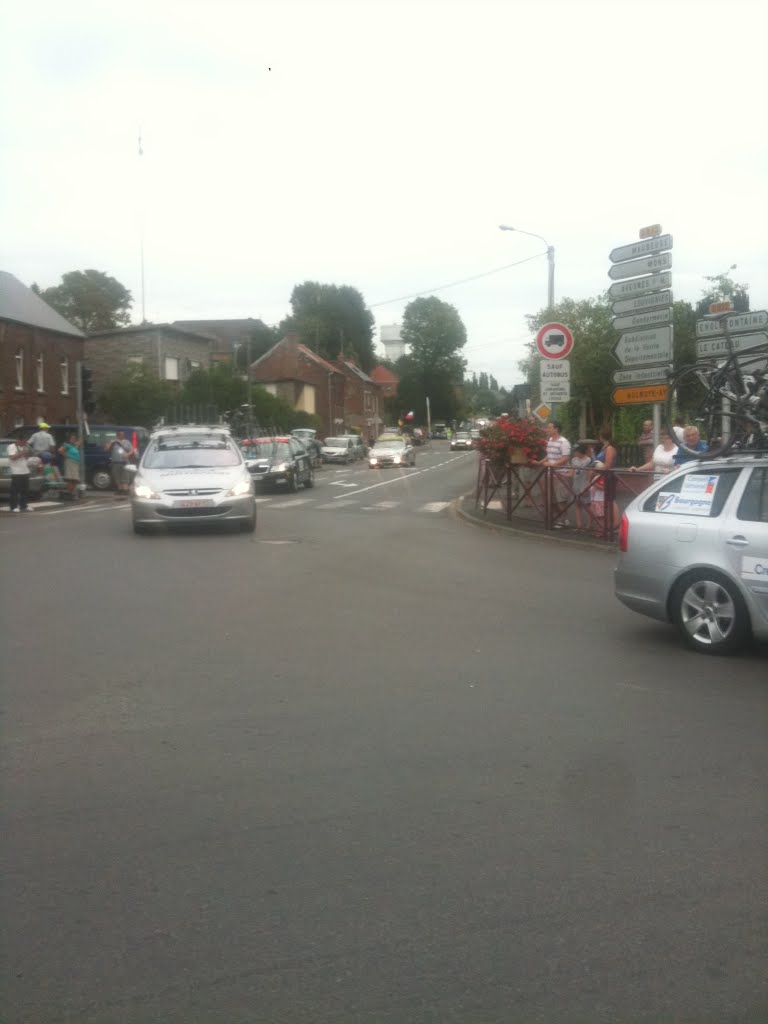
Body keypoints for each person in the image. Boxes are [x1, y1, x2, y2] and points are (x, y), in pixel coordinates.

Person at [535, 421, 572, 526]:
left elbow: (566, 458)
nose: (547, 430)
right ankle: (555, 517)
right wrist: (539, 462)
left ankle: (564, 519)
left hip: (560, 474)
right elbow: (549, 455)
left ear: (556, 429)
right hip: (549, 473)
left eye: (550, 428)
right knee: (551, 497)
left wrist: (553, 465)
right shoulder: (550, 440)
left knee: (561, 498)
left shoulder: (564, 442)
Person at [591, 430, 619, 534]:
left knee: (611, 500)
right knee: (607, 501)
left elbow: (607, 465)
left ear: (602, 436)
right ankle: (608, 525)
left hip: (609, 476)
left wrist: (596, 468)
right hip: (603, 475)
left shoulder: (610, 448)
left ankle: (616, 524)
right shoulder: (604, 448)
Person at [569, 442, 594, 531]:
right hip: (576, 484)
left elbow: (589, 474)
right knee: (577, 504)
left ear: (580, 451)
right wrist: (562, 474)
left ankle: (589, 524)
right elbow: (571, 473)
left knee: (587, 505)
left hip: (584, 484)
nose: (574, 453)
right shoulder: (573, 460)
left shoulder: (588, 460)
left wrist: (588, 485)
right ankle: (579, 525)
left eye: (576, 451)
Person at [106, 430, 135, 497]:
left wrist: (128, 454)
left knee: (125, 477)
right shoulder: (113, 442)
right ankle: (120, 490)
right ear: (117, 435)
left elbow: (132, 450)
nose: (121, 435)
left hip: (125, 462)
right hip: (115, 462)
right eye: (119, 434)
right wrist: (111, 443)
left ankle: (126, 490)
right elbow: (106, 449)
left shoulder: (127, 442)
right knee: (117, 477)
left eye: (122, 434)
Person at [7, 434, 33, 511]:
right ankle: (13, 507)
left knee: (25, 490)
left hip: (25, 470)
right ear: (18, 440)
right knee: (15, 490)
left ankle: (24, 505)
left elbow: (27, 457)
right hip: (16, 471)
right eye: (23, 442)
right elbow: (12, 457)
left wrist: (27, 453)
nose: (25, 443)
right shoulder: (11, 447)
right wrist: (22, 453)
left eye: (25, 442)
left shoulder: (25, 446)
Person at [59, 433, 82, 498]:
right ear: (69, 439)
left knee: (75, 479)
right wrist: (67, 456)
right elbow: (60, 450)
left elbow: (80, 441)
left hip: (75, 463)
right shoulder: (67, 445)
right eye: (72, 438)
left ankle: (71, 493)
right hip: (70, 463)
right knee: (70, 478)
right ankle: (69, 493)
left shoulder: (75, 446)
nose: (73, 440)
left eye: (74, 439)